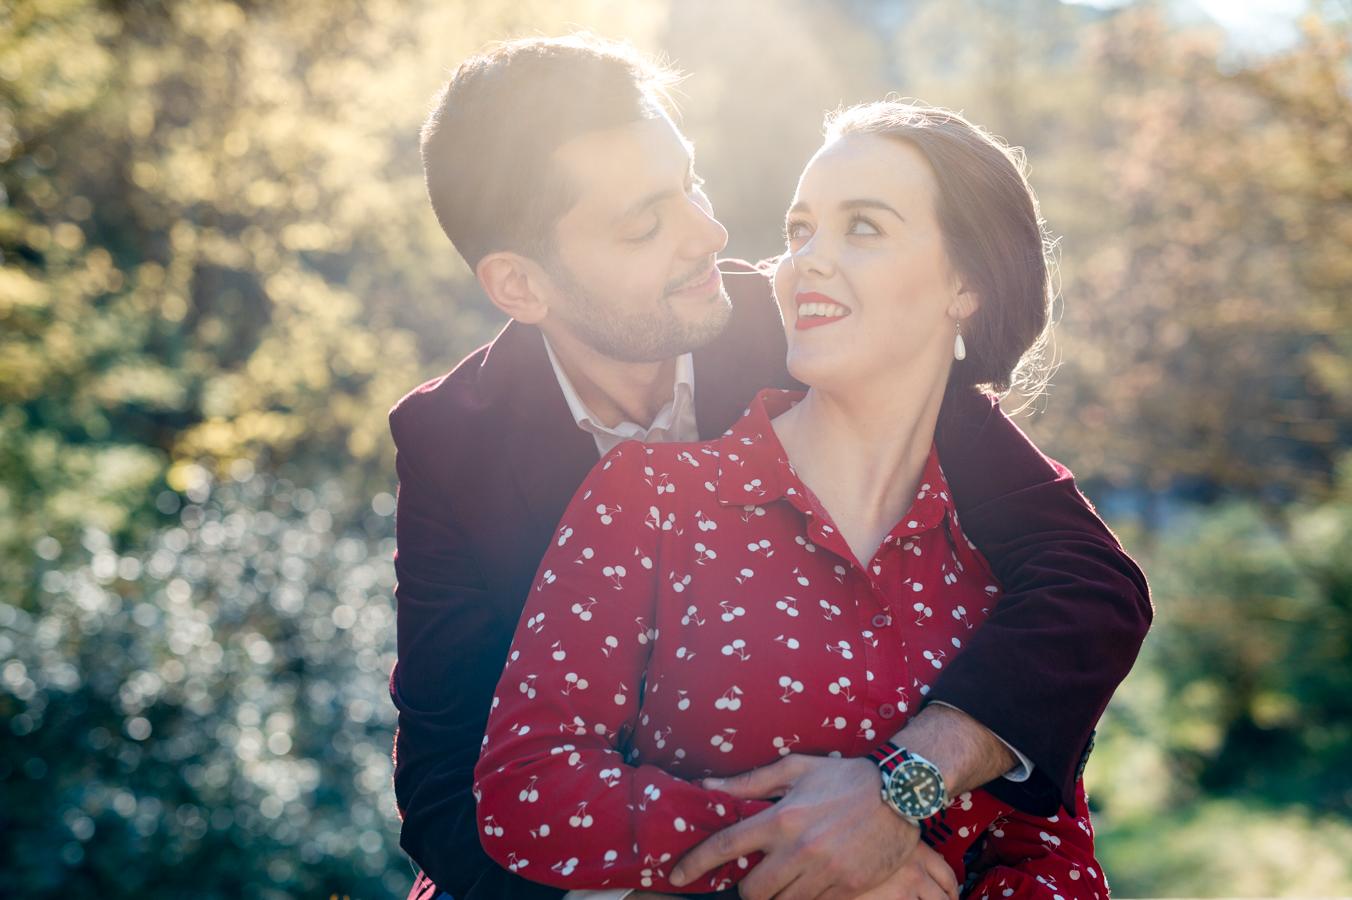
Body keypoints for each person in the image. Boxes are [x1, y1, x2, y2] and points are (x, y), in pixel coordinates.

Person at [390, 34, 1150, 900]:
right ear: (521, 287)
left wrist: (906, 786)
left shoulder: (819, 328)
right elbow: (449, 788)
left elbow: (1089, 582)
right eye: (645, 224)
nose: (708, 234)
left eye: (691, 186)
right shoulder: (451, 440)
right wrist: (808, 864)